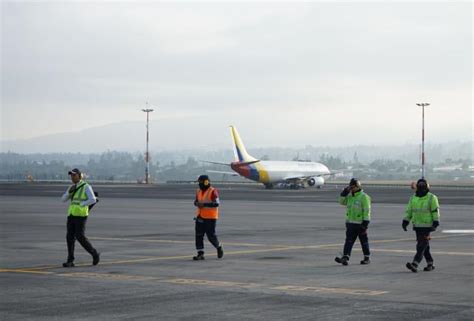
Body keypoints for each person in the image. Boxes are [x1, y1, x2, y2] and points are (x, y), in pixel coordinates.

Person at [61, 168, 100, 267]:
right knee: (69, 237)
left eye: (74, 175)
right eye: (71, 176)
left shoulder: (86, 186)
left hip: (81, 216)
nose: (72, 177)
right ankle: (70, 260)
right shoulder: (72, 187)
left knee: (80, 236)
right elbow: (63, 199)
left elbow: (93, 199)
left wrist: (82, 204)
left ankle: (94, 253)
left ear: (80, 176)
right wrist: (69, 192)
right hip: (71, 215)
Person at [403, 178, 440, 272]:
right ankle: (430, 263)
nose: (421, 188)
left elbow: (435, 211)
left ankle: (415, 264)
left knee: (421, 246)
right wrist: (405, 221)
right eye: (420, 186)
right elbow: (409, 211)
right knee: (424, 247)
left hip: (427, 226)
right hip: (417, 226)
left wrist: (436, 222)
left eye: (423, 186)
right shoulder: (413, 198)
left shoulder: (432, 197)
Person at [335, 178, 371, 265]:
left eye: (353, 187)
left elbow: (367, 211)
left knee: (364, 241)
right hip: (350, 224)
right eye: (350, 187)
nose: (351, 189)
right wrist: (343, 194)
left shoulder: (364, 197)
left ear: (358, 187)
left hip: (360, 224)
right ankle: (345, 257)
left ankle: (367, 257)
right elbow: (341, 202)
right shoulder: (350, 196)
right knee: (348, 241)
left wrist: (365, 223)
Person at [193, 175, 223, 261]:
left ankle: (218, 246)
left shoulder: (213, 191)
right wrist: (197, 204)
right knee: (198, 235)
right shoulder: (198, 191)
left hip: (210, 217)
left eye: (200, 182)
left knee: (211, 236)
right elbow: (195, 201)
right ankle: (200, 253)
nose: (199, 184)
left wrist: (204, 205)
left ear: (206, 182)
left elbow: (217, 203)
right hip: (200, 216)